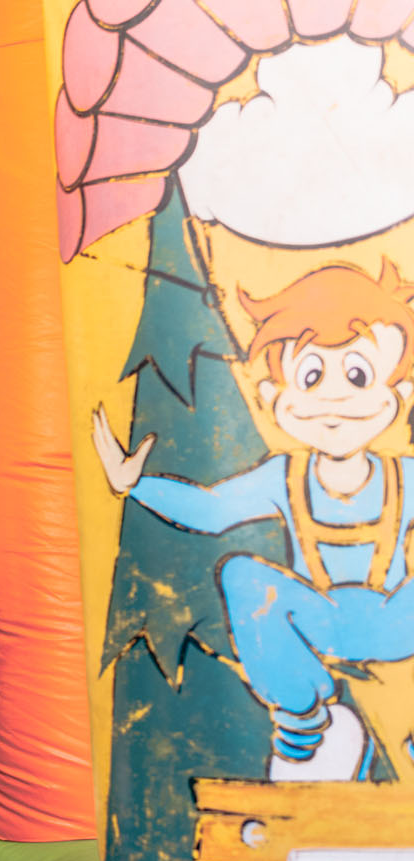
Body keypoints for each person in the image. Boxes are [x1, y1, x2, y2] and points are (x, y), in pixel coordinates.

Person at [92, 261, 414, 781]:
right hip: (322, 618)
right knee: (243, 576)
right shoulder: (285, 476)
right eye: (312, 375)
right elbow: (214, 510)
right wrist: (135, 485)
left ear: (395, 395)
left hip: (396, 619)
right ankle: (308, 727)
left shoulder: (405, 477)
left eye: (358, 375)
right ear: (275, 398)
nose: (335, 397)